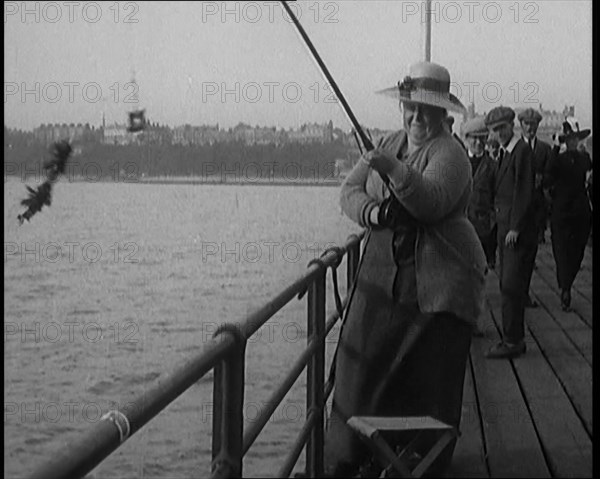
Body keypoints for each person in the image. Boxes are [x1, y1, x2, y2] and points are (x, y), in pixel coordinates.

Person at [324, 61, 487, 477]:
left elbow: (429, 201)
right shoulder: (390, 142)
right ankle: (356, 456)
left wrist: (391, 169)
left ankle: (417, 463)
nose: (417, 117)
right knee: (359, 373)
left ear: (444, 114)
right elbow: (349, 192)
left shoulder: (451, 154)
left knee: (425, 384)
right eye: (410, 108)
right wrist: (375, 214)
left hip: (438, 285)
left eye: (427, 111)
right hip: (384, 281)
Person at [484, 106, 536, 359]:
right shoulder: (506, 153)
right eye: (495, 130)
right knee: (508, 283)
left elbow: (524, 191)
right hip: (504, 229)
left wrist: (515, 226)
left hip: (514, 232)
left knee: (510, 285)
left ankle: (512, 340)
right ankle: (513, 337)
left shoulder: (521, 151)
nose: (498, 134)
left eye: (502, 129)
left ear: (511, 126)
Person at [544, 118, 592, 311]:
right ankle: (565, 287)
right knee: (561, 250)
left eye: (575, 138)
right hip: (562, 211)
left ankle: (567, 283)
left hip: (580, 211)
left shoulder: (584, 158)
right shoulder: (558, 159)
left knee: (578, 250)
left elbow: (589, 177)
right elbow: (547, 176)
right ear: (564, 140)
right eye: (569, 139)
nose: (572, 142)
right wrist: (556, 148)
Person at [518, 108, 554, 308]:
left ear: (538, 126)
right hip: (516, 209)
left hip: (535, 210)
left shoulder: (545, 149)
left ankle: (524, 293)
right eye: (526, 124)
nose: (530, 128)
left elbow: (551, 174)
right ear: (521, 125)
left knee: (530, 254)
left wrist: (542, 179)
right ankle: (514, 292)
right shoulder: (513, 148)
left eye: (533, 125)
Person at [462, 116, 497, 269]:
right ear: (466, 139)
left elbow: (497, 196)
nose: (478, 143)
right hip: (460, 226)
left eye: (482, 138)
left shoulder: (492, 166)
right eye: (474, 138)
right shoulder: (457, 162)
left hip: (483, 228)